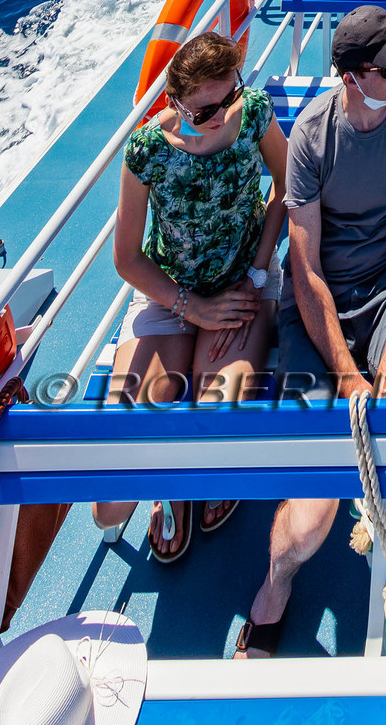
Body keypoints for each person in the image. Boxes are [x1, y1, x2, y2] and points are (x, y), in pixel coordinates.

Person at [241, 6, 386, 656]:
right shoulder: (311, 137)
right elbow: (305, 270)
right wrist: (347, 372)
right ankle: (275, 584)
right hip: (321, 310)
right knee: (313, 516)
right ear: (351, 75)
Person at [96, 32, 287, 563]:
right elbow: (127, 258)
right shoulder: (147, 151)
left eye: (230, 96)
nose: (223, 115)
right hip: (168, 294)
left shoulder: (253, 114)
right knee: (110, 504)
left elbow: (287, 184)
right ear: (174, 104)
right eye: (206, 111)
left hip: (240, 287)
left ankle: (195, 473)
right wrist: (192, 307)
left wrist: (255, 271)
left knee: (213, 414)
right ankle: (173, 486)